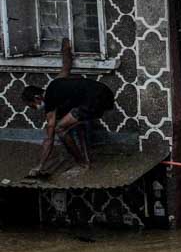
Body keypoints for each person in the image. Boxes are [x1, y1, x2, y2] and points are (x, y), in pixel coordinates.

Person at [23, 42, 114, 178]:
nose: (35, 109)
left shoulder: (50, 105)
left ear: (37, 98)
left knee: (60, 128)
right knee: (74, 123)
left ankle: (82, 164)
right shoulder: (57, 82)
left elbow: (49, 139)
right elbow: (67, 64)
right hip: (105, 92)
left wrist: (39, 166)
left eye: (32, 105)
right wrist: (65, 46)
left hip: (94, 100)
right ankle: (85, 159)